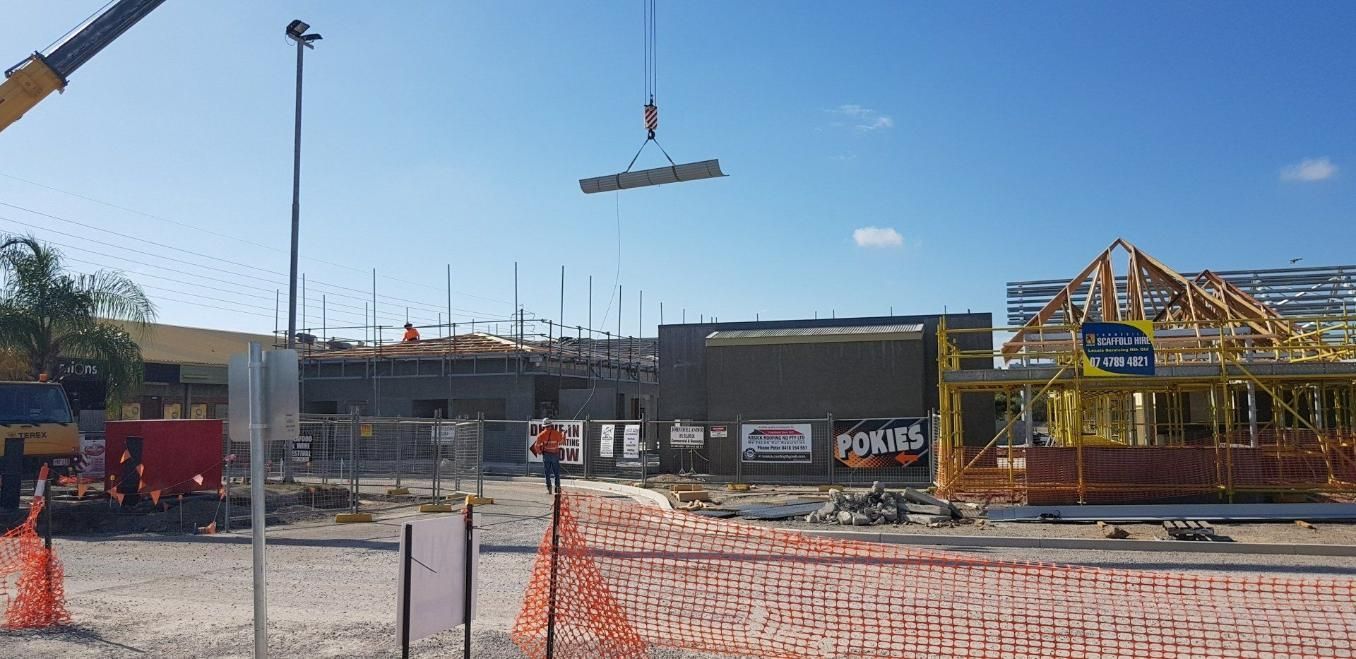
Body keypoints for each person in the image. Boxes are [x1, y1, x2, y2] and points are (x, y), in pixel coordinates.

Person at [531, 418, 565, 494]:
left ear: (544, 426)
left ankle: (549, 488)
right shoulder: (556, 433)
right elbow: (562, 442)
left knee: (547, 473)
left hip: (546, 455)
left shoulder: (541, 435)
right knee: (556, 473)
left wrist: (539, 452)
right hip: (555, 455)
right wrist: (563, 436)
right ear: (551, 425)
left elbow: (537, 446)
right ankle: (557, 489)